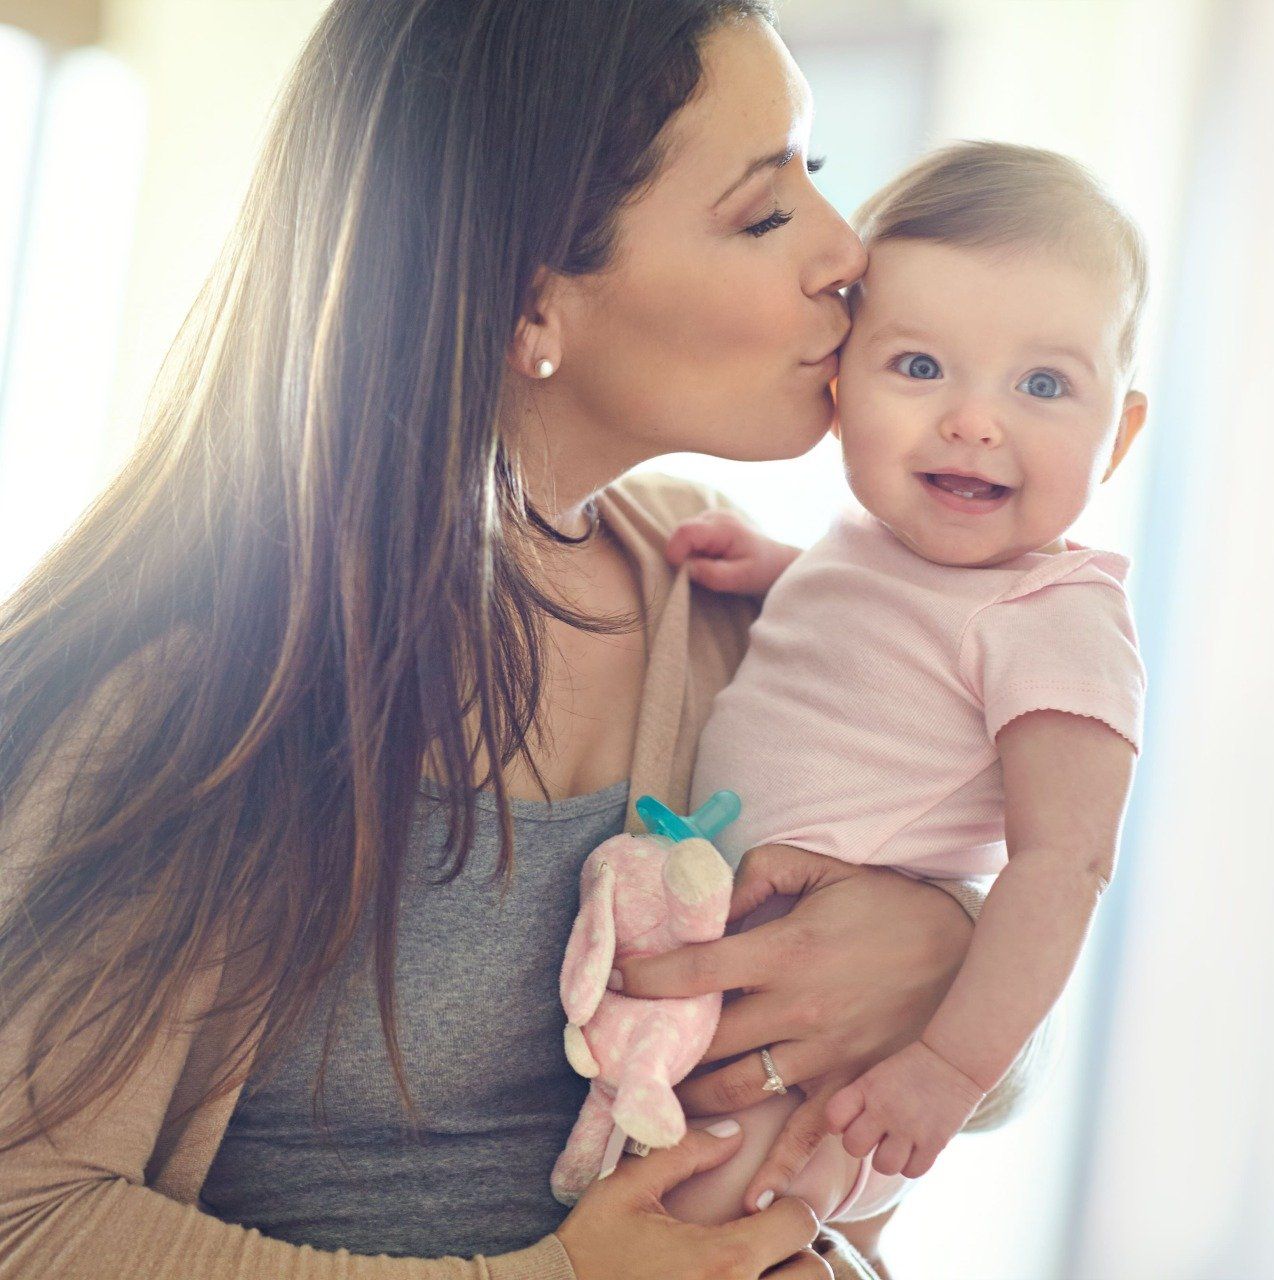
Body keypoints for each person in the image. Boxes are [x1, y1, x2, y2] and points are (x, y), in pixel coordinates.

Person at [0, 3, 1039, 1276]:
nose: (848, 253)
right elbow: (25, 1216)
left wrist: (938, 939)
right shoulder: (194, 679)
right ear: (530, 299)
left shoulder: (726, 598)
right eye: (764, 211)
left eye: (816, 178)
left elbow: (951, 1070)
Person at [635, 140, 1150, 1229]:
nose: (975, 419)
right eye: (920, 367)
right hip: (734, 990)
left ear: (1122, 435)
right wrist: (781, 575)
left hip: (831, 1073)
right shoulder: (866, 546)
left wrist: (948, 1069)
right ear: (838, 381)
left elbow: (1067, 861)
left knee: (706, 1231)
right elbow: (880, 644)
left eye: (1045, 384)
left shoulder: (1055, 620)